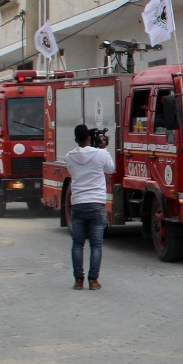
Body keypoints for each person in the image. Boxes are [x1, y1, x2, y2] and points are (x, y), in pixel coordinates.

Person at [67, 124, 116, 291]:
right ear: (89, 137)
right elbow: (111, 168)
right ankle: (93, 280)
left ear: (75, 139)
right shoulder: (101, 154)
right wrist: (103, 148)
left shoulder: (69, 156)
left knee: (77, 244)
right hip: (96, 203)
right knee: (96, 245)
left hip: (78, 204)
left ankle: (78, 280)